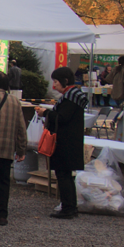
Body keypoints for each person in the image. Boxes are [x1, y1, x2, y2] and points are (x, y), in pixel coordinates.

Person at [36, 66, 88, 219]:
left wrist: (46, 113)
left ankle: (68, 208)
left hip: (65, 142)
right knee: (65, 174)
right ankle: (70, 206)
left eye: (56, 82)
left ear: (65, 81)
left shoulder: (70, 98)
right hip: (70, 141)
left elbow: (62, 118)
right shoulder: (74, 95)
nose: (54, 85)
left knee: (63, 174)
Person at [0, 70, 27, 226]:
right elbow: (21, 128)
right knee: (3, 182)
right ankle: (2, 214)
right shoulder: (14, 101)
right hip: (6, 149)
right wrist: (21, 150)